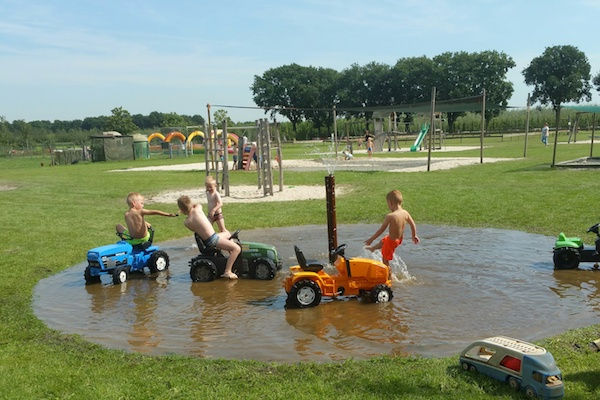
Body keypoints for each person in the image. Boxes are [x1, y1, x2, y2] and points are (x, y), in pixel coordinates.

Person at [177, 195, 240, 279]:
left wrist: (182, 211)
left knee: (227, 233)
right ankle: (227, 271)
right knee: (237, 248)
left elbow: (194, 229)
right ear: (190, 203)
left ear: (181, 209)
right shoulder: (198, 209)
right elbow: (197, 204)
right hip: (213, 239)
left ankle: (231, 258)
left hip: (208, 239)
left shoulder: (187, 222)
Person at [365, 190, 420, 265]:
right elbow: (412, 224)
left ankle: (390, 276)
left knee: (385, 260)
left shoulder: (390, 216)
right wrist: (414, 235)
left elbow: (381, 230)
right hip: (399, 240)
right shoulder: (405, 213)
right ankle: (373, 248)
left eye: (387, 204)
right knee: (384, 240)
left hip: (391, 241)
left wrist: (371, 239)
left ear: (391, 203)